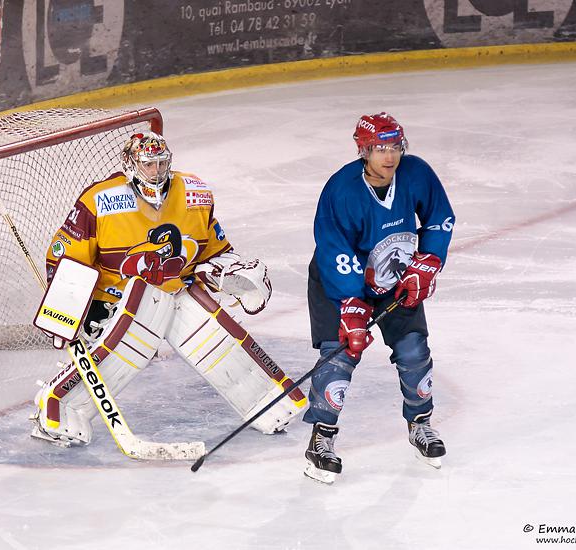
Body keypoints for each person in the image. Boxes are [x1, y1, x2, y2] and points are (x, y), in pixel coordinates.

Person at [31, 131, 306, 447]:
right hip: (116, 302)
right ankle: (57, 408)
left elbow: (214, 249)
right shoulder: (100, 200)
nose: (157, 172)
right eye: (149, 164)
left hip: (177, 294)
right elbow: (64, 255)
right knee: (120, 355)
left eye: (162, 164)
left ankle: (267, 401)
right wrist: (67, 310)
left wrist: (230, 272)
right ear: (131, 163)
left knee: (218, 342)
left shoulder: (194, 192)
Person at [303, 112, 455, 483]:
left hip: (396, 280)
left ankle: (420, 424)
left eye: (395, 147)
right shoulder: (341, 190)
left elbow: (439, 219)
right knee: (339, 359)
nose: (389, 157)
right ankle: (320, 440)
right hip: (337, 286)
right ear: (364, 151)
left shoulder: (417, 174)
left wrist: (427, 262)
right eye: (380, 149)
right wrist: (351, 307)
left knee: (414, 351)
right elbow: (332, 248)